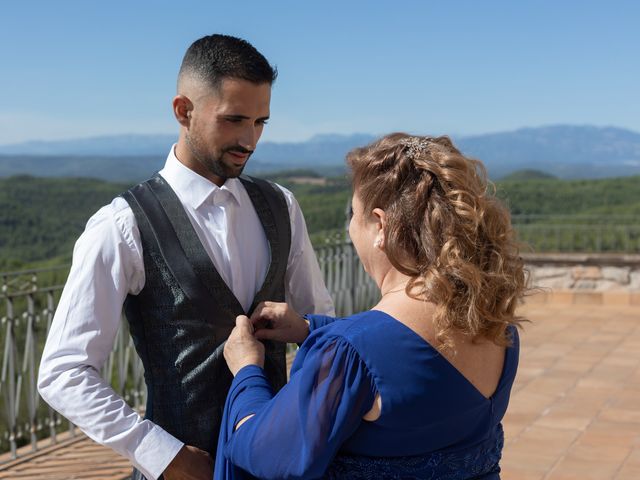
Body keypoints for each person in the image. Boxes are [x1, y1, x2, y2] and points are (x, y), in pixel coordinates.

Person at [37, 34, 334, 480]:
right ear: (183, 110)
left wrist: (306, 340)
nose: (249, 140)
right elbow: (63, 372)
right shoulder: (122, 225)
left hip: (278, 464)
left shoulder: (282, 206)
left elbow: (322, 322)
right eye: (234, 120)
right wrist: (161, 454)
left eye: (260, 122)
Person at [216, 133, 528, 479]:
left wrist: (246, 370)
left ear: (380, 225)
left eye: (355, 213)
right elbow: (411, 356)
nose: (351, 225)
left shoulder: (350, 353)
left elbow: (269, 453)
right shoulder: (495, 324)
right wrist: (309, 329)